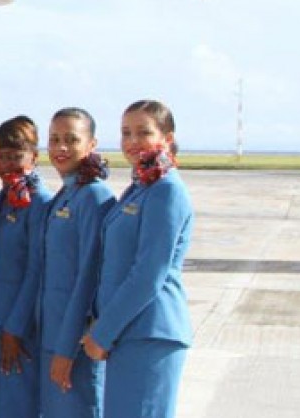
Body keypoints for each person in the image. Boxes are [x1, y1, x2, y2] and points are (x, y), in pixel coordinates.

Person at [81, 100, 193, 418]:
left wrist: (103, 332)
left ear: (167, 139)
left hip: (150, 331)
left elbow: (148, 274)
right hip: (129, 332)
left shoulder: (166, 191)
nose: (132, 141)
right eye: (126, 132)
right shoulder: (141, 186)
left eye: (143, 132)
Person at [39, 107, 116, 418]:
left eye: (71, 139)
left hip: (73, 345)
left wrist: (67, 348)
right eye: (54, 139)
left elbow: (88, 279)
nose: (60, 148)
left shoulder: (95, 198)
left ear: (91, 144)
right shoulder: (67, 194)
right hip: (51, 335)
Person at [0, 116, 53, 418]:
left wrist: (15, 327)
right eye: (0, 155)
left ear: (34, 157)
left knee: (17, 406)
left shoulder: (38, 202)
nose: (6, 163)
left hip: (18, 328)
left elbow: (36, 269)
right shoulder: (7, 197)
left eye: (15, 155)